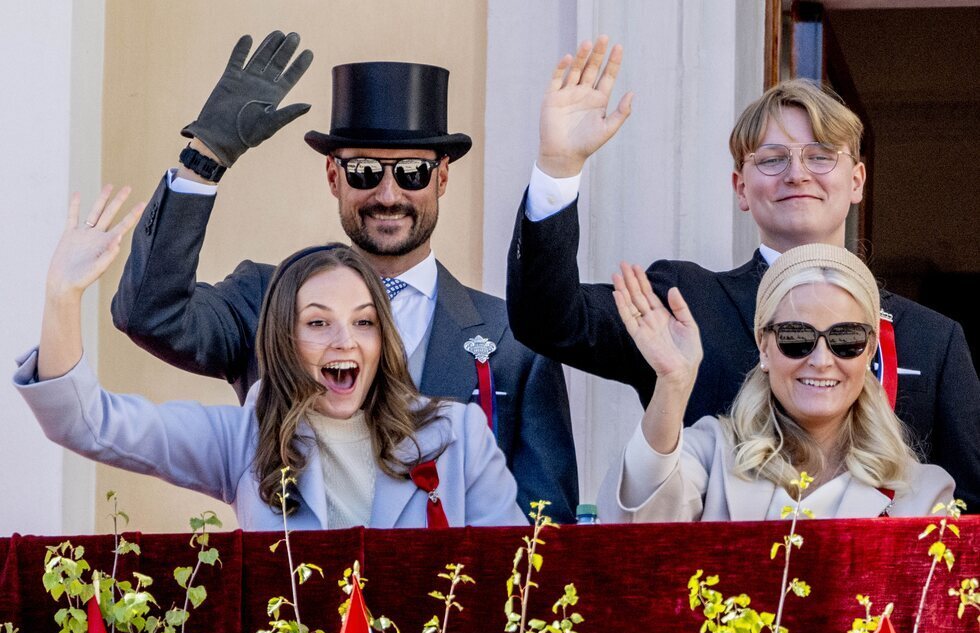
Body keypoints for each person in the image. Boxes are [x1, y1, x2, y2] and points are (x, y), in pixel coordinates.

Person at [110, 31, 578, 523]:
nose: (388, 193)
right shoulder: (265, 301)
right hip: (292, 592)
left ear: (442, 177)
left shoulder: (512, 340)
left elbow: (546, 529)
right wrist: (204, 159)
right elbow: (148, 314)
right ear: (333, 177)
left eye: (413, 173)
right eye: (364, 172)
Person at [506, 37, 979, 513]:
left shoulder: (932, 340)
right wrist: (559, 169)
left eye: (819, 155)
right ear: (741, 188)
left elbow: (969, 512)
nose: (797, 173)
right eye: (772, 159)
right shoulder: (684, 300)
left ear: (856, 181)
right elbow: (549, 319)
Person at [15, 188, 528, 531]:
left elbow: (514, 583)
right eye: (318, 322)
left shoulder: (457, 436)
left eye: (364, 321)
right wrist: (61, 296)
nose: (345, 341)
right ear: (285, 341)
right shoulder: (245, 440)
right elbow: (88, 424)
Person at [597, 244, 954, 521]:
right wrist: (672, 382)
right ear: (763, 346)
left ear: (870, 350)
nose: (821, 360)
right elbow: (634, 522)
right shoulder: (710, 453)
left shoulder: (922, 492)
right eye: (796, 337)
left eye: (846, 340)